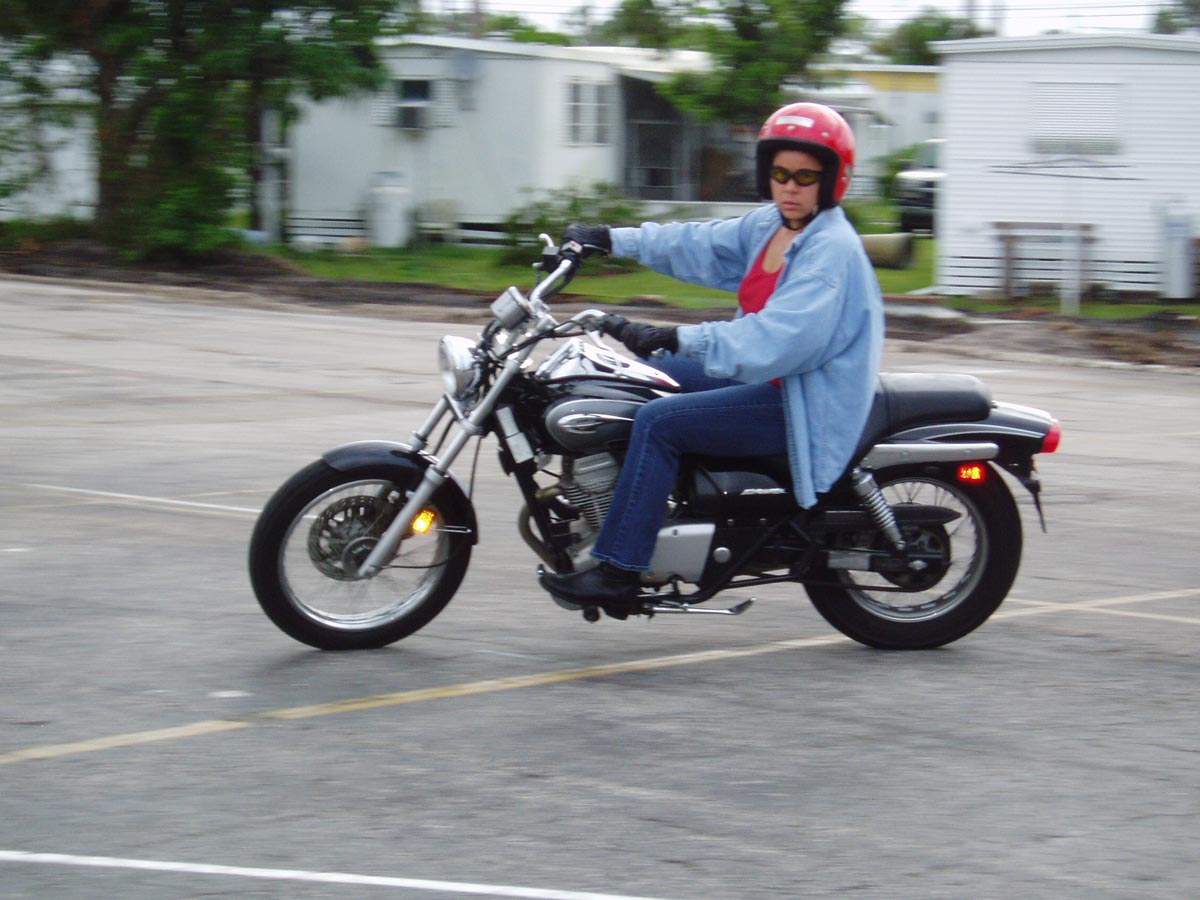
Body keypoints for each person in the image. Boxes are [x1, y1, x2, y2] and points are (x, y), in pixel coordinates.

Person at [539, 102, 884, 618]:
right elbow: (694, 242)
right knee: (641, 377)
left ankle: (620, 569)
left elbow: (771, 342)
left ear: (834, 180)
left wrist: (676, 337)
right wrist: (607, 239)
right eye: (780, 174)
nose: (790, 187)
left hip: (803, 400)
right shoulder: (771, 225)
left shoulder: (829, 250)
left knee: (659, 422)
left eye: (806, 176)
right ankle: (651, 507)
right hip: (772, 380)